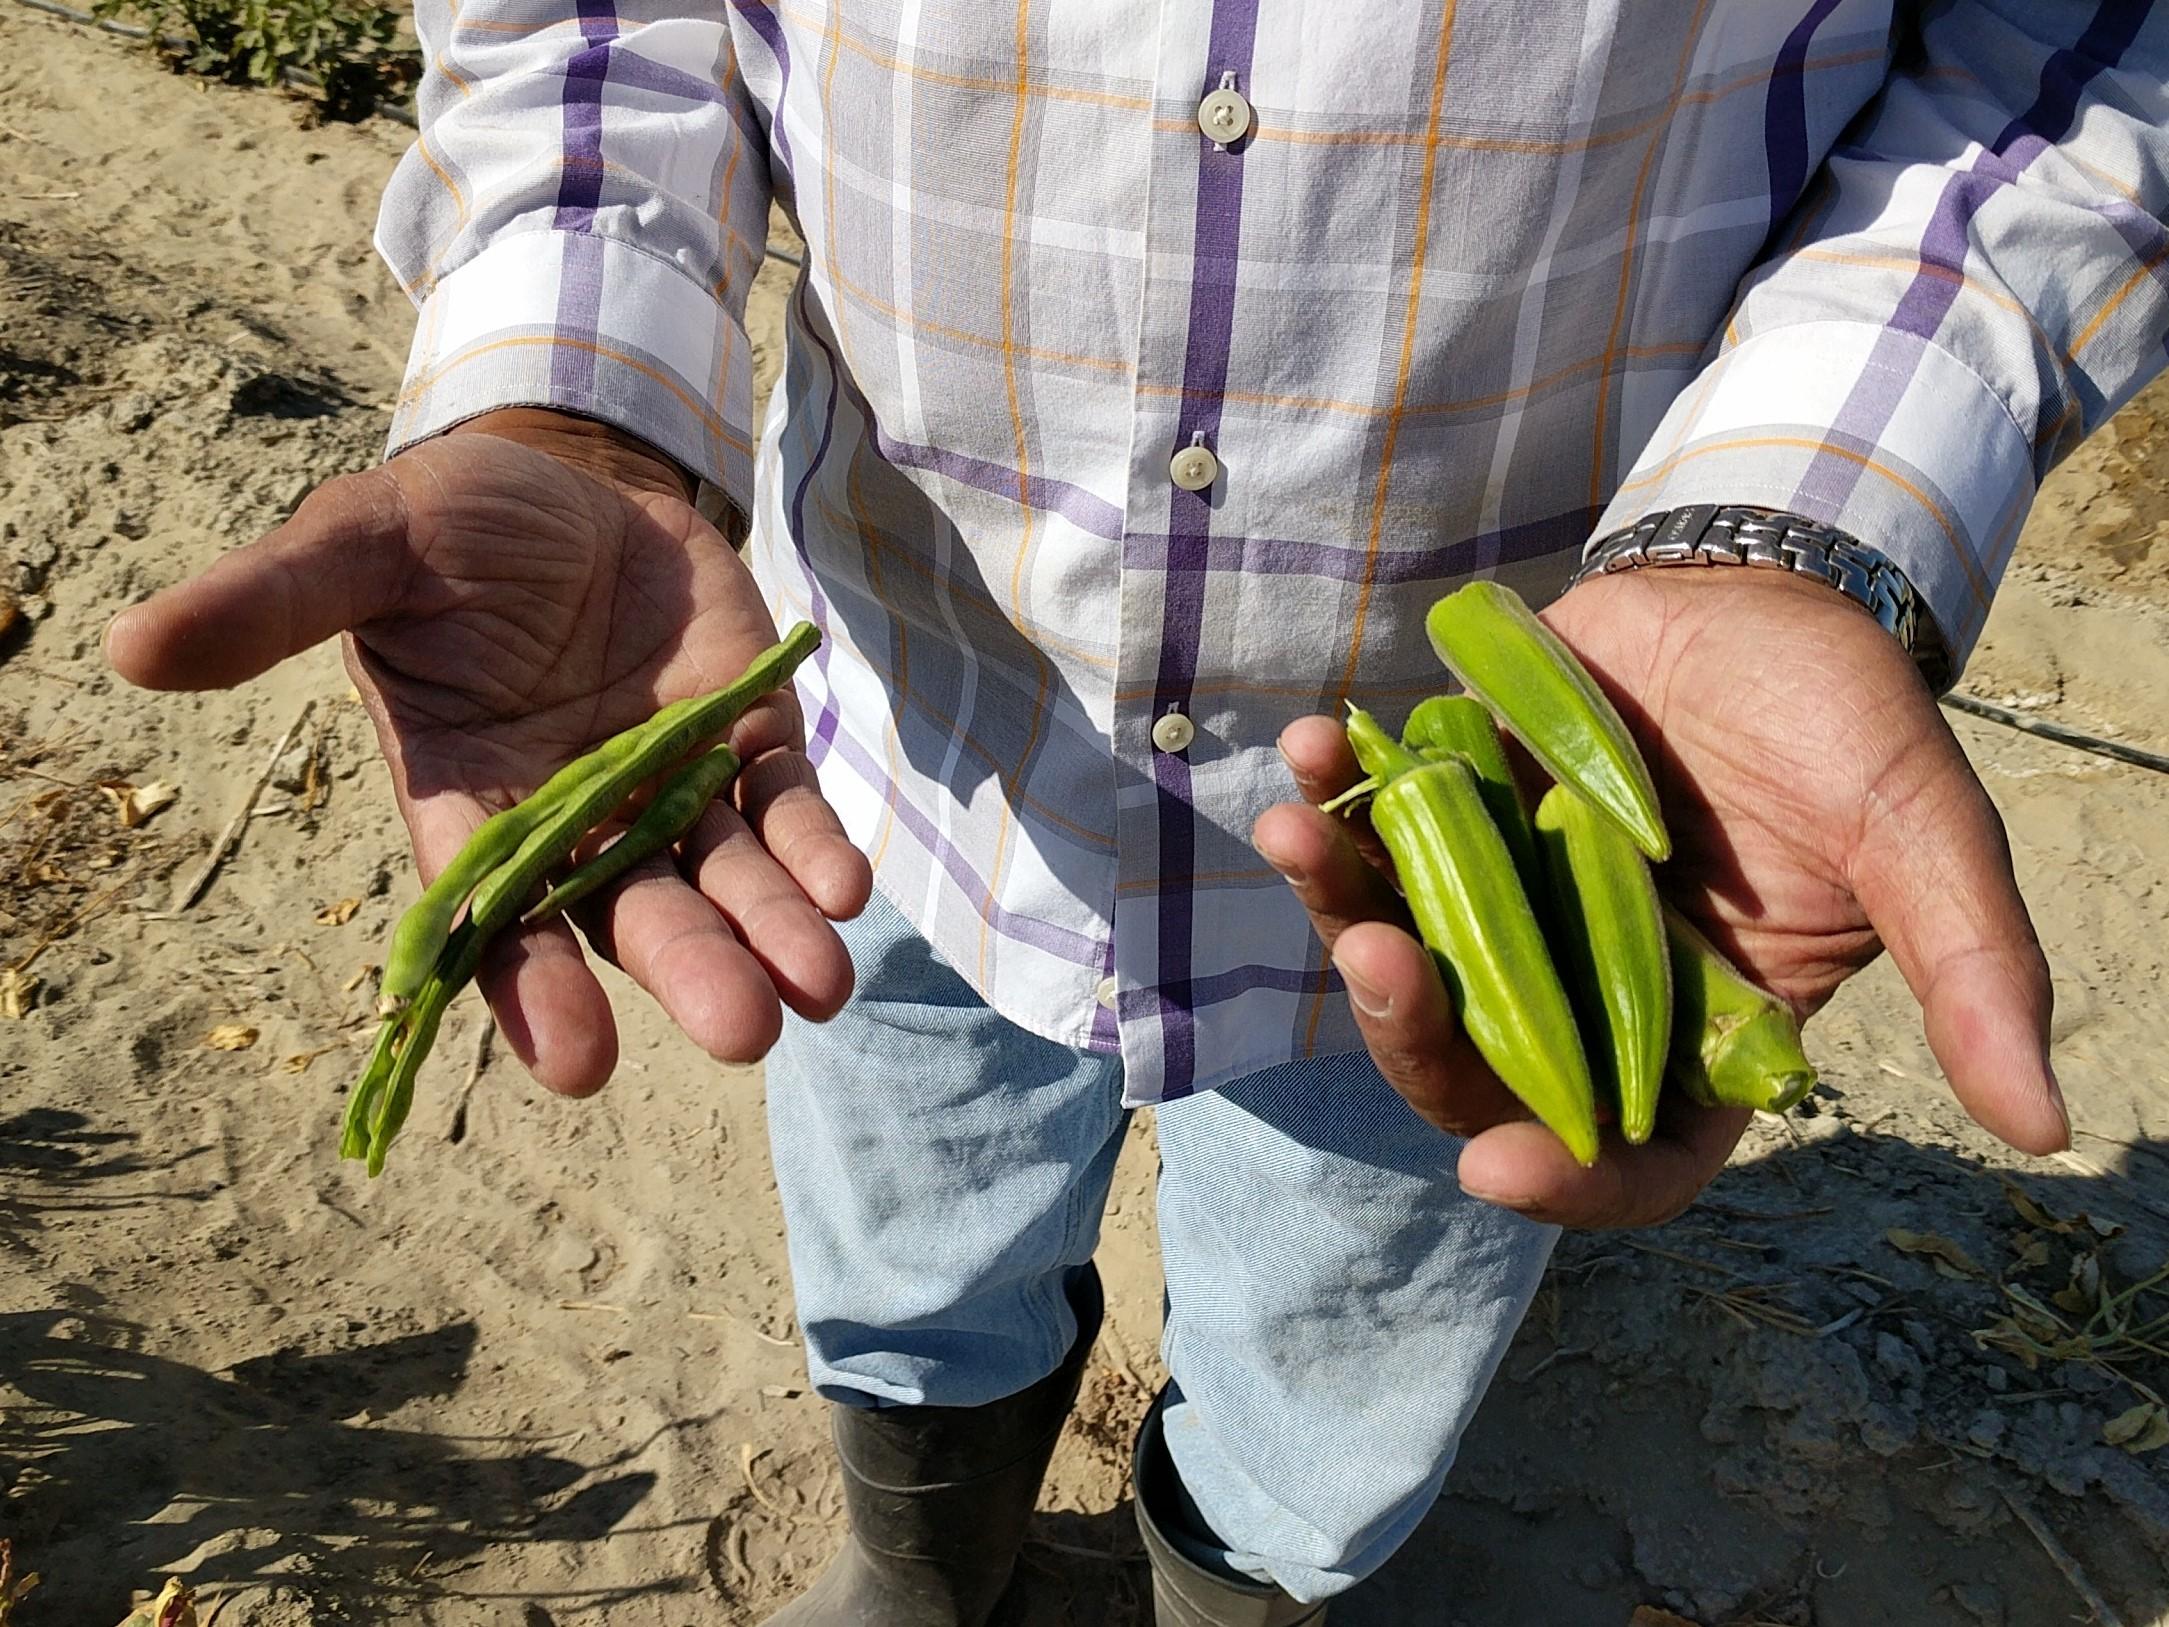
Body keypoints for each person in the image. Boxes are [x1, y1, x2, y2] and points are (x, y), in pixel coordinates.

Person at [107, 3, 2168, 1621]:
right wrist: (563, 386)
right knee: (902, 1226)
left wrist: (1794, 528)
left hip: (1492, 790)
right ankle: (928, 1560)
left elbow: (2064, 48)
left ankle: (1245, 1589)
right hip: (901, 727)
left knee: (1344, 1340)